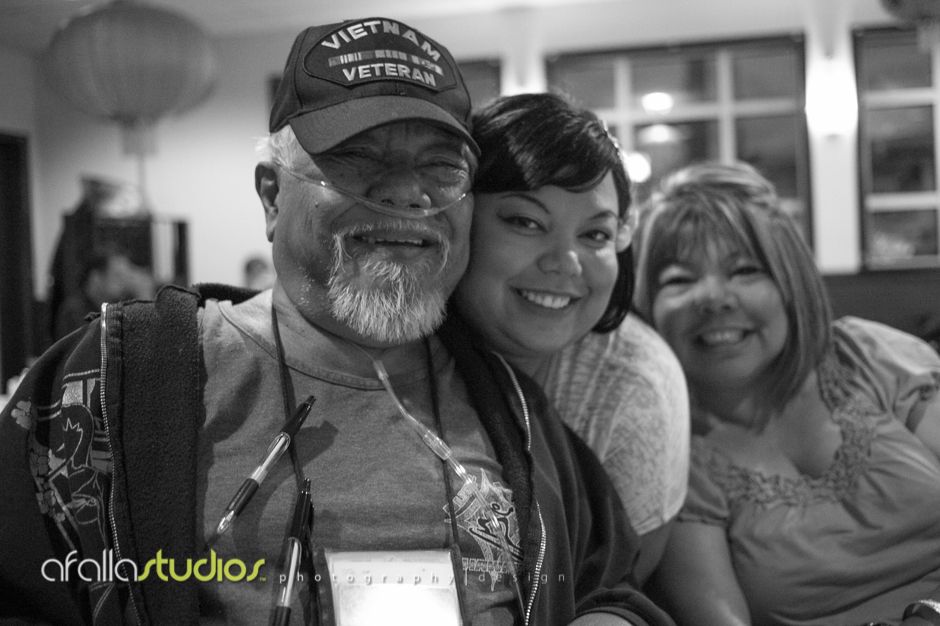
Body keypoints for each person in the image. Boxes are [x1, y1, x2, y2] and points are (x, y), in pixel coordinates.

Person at [0, 17, 674, 626]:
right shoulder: (120, 380)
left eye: (442, 169)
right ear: (271, 195)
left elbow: (604, 585)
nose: (408, 193)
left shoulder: (509, 402)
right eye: (358, 158)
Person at [633, 161, 940, 626]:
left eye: (745, 270)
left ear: (790, 284)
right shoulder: (670, 456)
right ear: (648, 307)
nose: (714, 298)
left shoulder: (871, 356)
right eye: (679, 279)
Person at [453, 92, 689, 585]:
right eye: (526, 222)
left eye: (595, 235)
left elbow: (609, 596)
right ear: (459, 217)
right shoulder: (389, 355)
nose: (565, 261)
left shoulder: (631, 385)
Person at [53, 249, 156, 340]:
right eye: (118, 276)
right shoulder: (73, 312)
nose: (125, 282)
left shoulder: (119, 307)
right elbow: (100, 349)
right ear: (96, 278)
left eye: (126, 276)